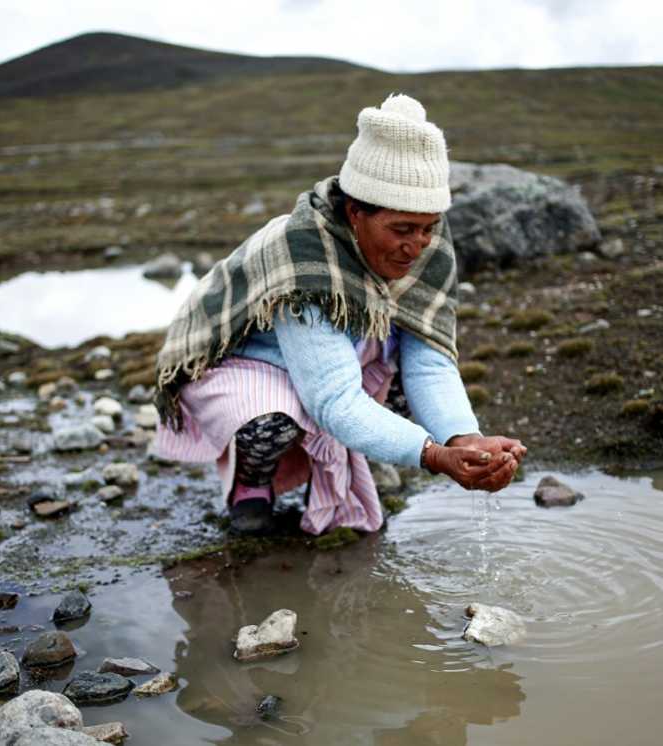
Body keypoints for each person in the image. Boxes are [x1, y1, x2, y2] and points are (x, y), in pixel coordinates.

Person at [153, 93, 526, 534]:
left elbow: (429, 361)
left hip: (338, 352)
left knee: (404, 384)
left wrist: (463, 439)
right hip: (246, 361)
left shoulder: (428, 245)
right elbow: (333, 399)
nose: (417, 245)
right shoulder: (302, 255)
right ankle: (251, 485)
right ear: (355, 212)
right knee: (269, 419)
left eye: (427, 228)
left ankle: (331, 467)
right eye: (402, 230)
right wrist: (433, 456)